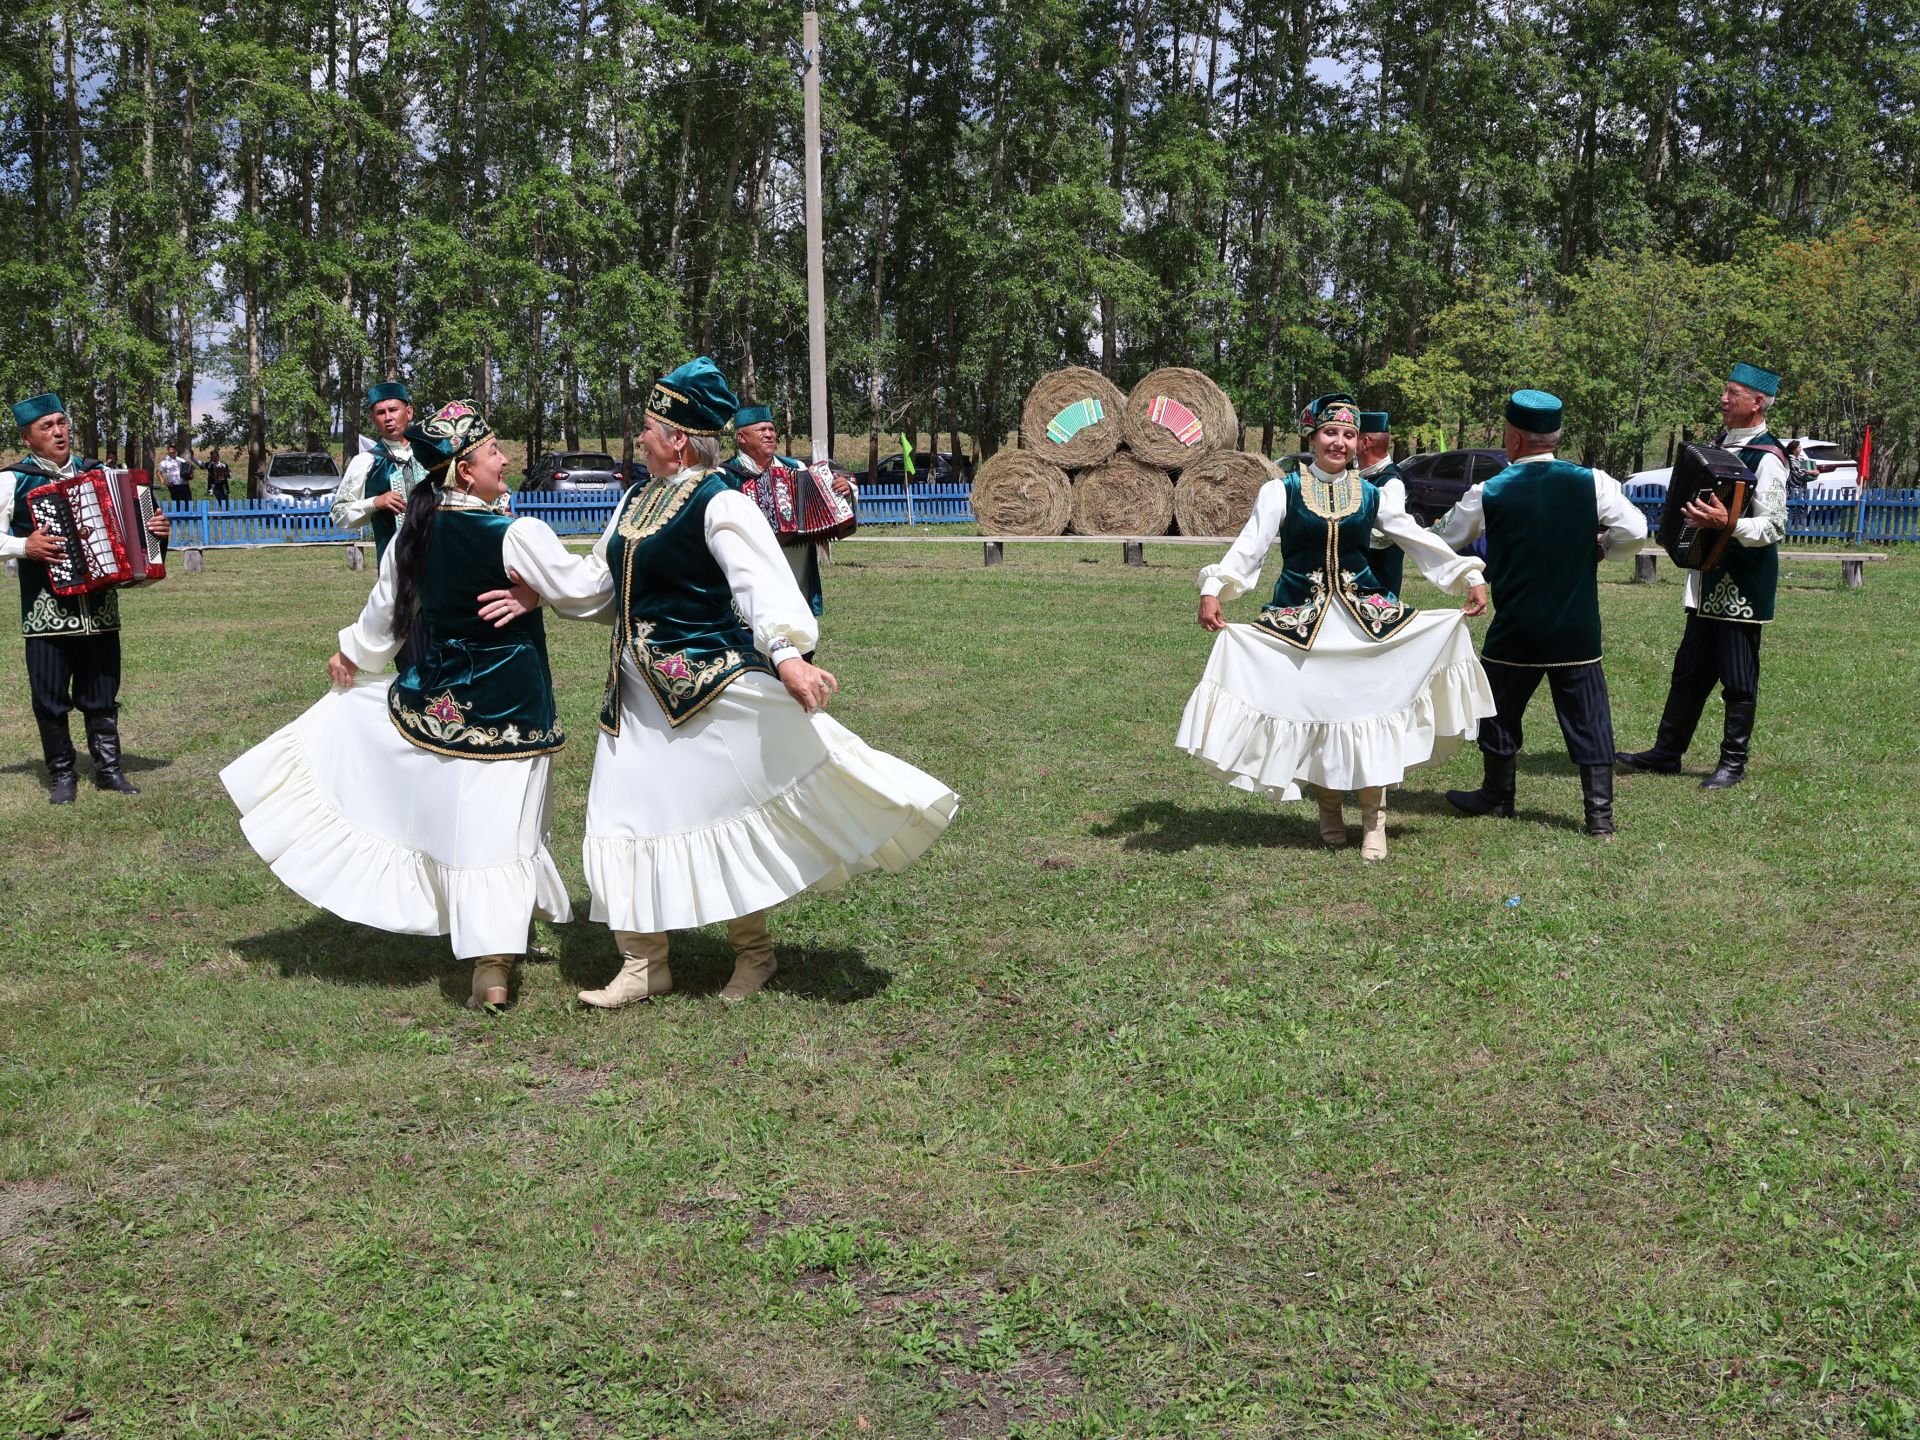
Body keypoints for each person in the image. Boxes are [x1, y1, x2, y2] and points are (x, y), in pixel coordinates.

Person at [554, 358, 956, 1006]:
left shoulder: (721, 505)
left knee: (723, 812)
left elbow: (762, 583)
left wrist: (788, 653)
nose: (641, 438)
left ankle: (755, 955)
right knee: (618, 818)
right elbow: (596, 587)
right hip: (632, 699)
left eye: (650, 427)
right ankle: (642, 963)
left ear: (679, 438)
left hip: (707, 689)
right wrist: (534, 582)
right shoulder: (635, 500)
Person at [222, 401, 611, 1009]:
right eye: (491, 453)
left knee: (468, 818)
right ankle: (492, 963)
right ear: (462, 471)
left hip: (440, 701)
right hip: (510, 701)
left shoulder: (413, 531)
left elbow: (386, 616)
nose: (505, 460)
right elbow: (585, 593)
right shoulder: (516, 534)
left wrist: (354, 656)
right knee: (506, 824)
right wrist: (605, 543)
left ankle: (490, 952)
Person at [1177, 393, 1493, 860]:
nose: (1339, 442)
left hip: (1365, 619)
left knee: (1369, 712)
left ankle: (1373, 821)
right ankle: (1328, 811)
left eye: (1348, 435)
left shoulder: (1373, 495)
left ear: (1357, 442)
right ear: (1312, 437)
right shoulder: (1280, 490)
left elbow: (1416, 538)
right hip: (1299, 622)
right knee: (1318, 713)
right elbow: (1252, 546)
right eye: (1330, 433)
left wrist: (1466, 574)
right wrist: (1215, 587)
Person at [1434, 389, 1649, 835]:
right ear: (1555, 437)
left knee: (1496, 709)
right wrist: (1605, 547)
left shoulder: (1489, 490)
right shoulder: (1593, 482)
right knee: (1589, 714)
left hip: (1517, 627)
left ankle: (1496, 795)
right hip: (1576, 629)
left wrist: (1469, 568)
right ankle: (1599, 816)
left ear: (1513, 437)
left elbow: (1445, 539)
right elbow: (1635, 530)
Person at [1616, 363, 1788, 790]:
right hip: (1706, 582)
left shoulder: (1769, 459)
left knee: (1738, 678)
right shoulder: (1720, 445)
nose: (1723, 400)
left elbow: (1774, 527)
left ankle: (1733, 763)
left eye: (1733, 394)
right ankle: (1667, 752)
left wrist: (1725, 523)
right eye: (1724, 392)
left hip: (1741, 589)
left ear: (1757, 403)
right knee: (1689, 671)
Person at [2, 393, 170, 802]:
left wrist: (157, 532)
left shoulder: (100, 473)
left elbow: (138, 529)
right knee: (49, 696)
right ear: (27, 437)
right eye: (47, 426)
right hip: (45, 612)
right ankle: (62, 776)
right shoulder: (13, 479)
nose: (58, 431)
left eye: (61, 423)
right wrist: (27, 547)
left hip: (99, 609)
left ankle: (109, 771)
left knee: (101, 692)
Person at [721, 402, 856, 650]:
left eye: (772, 429)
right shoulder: (724, 477)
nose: (769, 434)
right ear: (741, 437)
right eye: (761, 429)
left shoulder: (797, 469)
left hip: (796, 577)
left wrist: (844, 490)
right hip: (750, 581)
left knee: (800, 649)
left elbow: (834, 500)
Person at [331, 381, 426, 562]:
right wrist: (375, 502)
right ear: (373, 419)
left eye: (393, 410)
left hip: (439, 557)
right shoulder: (366, 462)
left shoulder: (432, 454)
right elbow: (338, 513)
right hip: (395, 562)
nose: (388, 417)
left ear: (409, 412)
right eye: (381, 413)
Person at [1357, 410, 1407, 597]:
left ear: (1365, 442)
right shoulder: (1365, 477)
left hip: (1379, 588)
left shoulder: (1392, 483)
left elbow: (1383, 537)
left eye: (1352, 436)